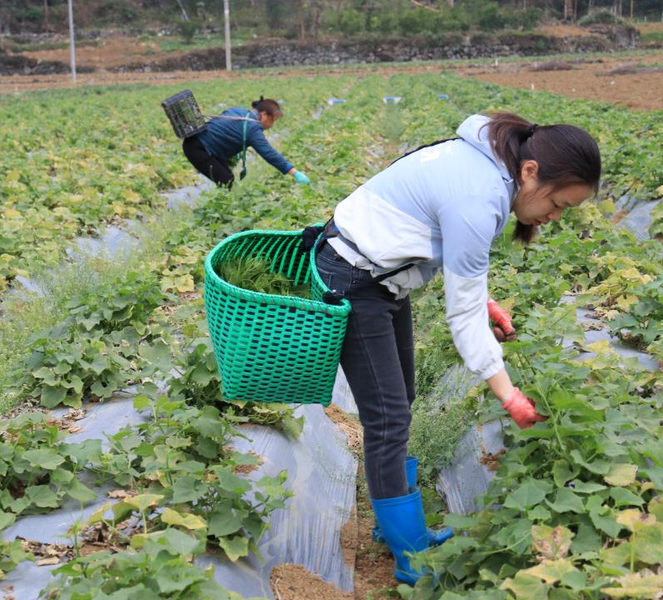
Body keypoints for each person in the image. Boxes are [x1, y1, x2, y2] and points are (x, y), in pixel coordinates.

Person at [315, 112, 601, 584]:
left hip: (384, 276)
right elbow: (462, 317)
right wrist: (509, 394)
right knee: (388, 418)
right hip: (355, 278)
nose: (553, 218)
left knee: (398, 403)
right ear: (531, 173)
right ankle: (410, 557)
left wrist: (481, 297)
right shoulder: (481, 194)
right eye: (558, 204)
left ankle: (397, 531)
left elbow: (448, 249)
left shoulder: (490, 165)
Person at [182, 96, 310, 189]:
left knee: (226, 177)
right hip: (198, 149)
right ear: (264, 114)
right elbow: (268, 153)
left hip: (195, 142)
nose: (271, 125)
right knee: (227, 180)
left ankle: (225, 208)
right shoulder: (252, 128)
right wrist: (294, 173)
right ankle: (221, 213)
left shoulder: (241, 111)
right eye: (272, 120)